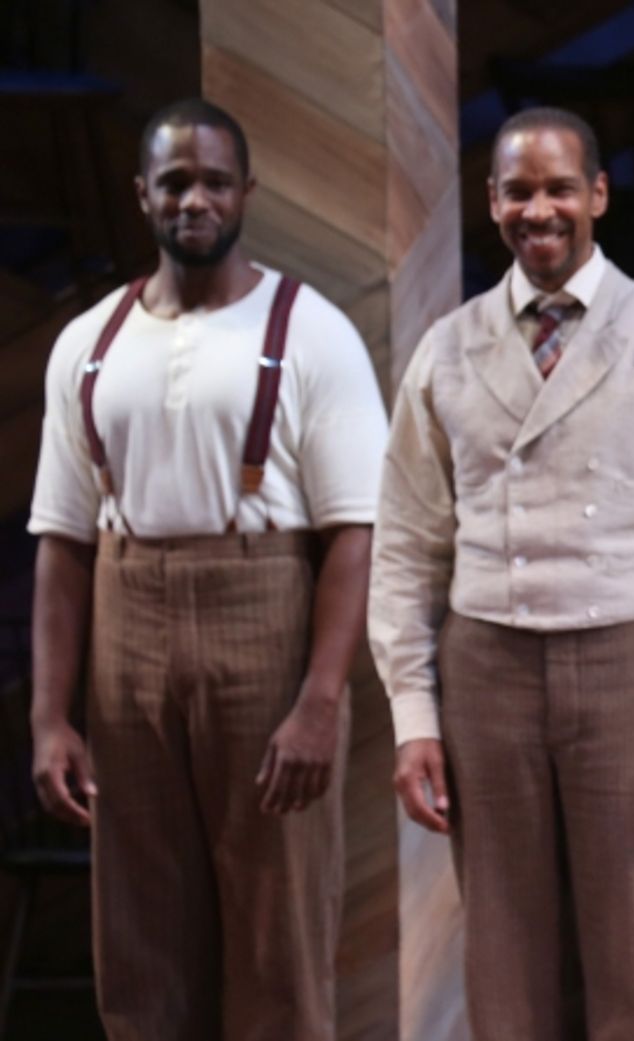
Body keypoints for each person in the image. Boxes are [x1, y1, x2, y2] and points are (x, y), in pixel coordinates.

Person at [368, 106, 634, 1041]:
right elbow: (406, 546)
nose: (537, 209)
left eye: (556, 188)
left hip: (631, 664)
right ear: (492, 201)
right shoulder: (448, 348)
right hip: (486, 668)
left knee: (630, 944)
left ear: (597, 195)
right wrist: (414, 718)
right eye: (516, 190)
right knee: (500, 946)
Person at [27, 97, 388, 1040]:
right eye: (175, 182)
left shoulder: (308, 331)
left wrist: (321, 698)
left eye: (214, 181)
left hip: (264, 612)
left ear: (246, 194)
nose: (195, 199)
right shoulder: (89, 345)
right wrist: (48, 715)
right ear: (142, 192)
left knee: (276, 916)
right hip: (125, 620)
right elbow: (62, 540)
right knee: (140, 919)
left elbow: (355, 532)